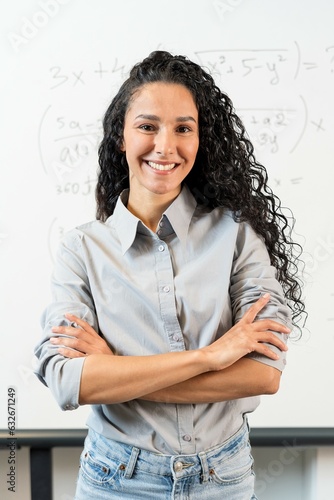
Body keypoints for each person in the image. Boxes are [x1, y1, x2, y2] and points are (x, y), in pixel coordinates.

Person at [34, 50, 305, 499]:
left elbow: (263, 374)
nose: (165, 146)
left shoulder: (236, 235)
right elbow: (67, 381)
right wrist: (211, 357)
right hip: (116, 480)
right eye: (147, 126)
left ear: (201, 140)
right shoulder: (81, 249)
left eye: (183, 128)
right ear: (121, 137)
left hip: (223, 479)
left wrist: (114, 372)